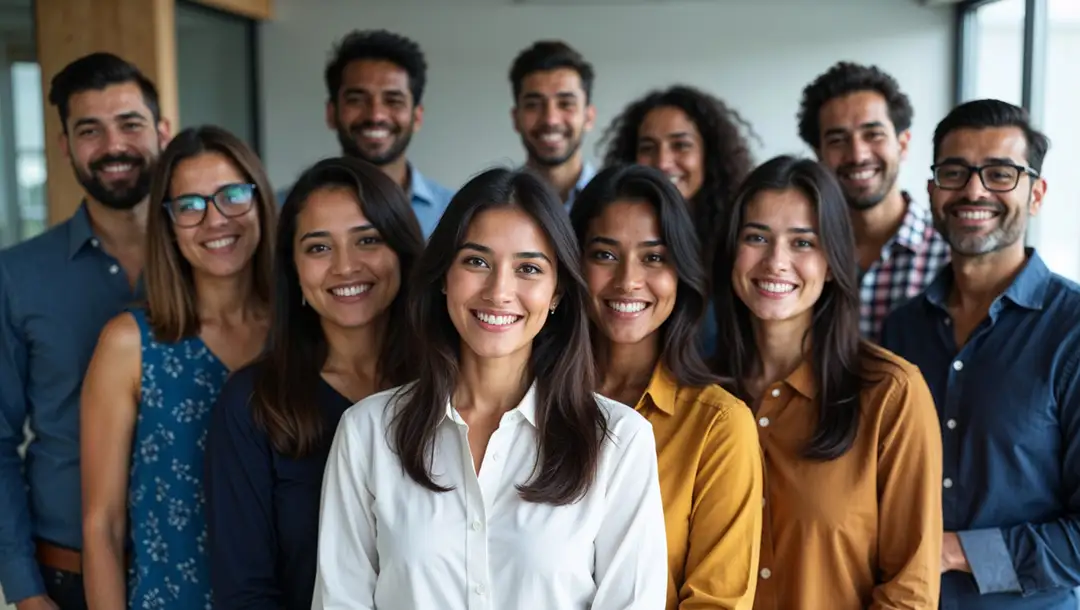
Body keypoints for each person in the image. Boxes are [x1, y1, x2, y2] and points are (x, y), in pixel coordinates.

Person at [312, 167, 667, 609]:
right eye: (476, 261)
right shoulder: (366, 432)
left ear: (557, 293)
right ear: (444, 276)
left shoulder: (618, 441)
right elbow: (341, 600)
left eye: (529, 268)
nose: (499, 291)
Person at [712, 155, 943, 609]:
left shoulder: (891, 393)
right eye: (757, 237)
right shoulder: (702, 396)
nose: (776, 262)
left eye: (803, 242)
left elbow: (909, 590)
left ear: (834, 260)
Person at [881, 99, 1080, 610]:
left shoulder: (1072, 331)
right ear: (932, 192)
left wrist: (950, 552)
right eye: (955, 172)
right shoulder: (899, 332)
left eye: (1000, 173)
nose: (974, 189)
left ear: (1035, 194)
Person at [205, 156, 424, 609]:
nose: (346, 267)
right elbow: (245, 592)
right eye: (319, 248)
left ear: (402, 253)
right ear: (295, 272)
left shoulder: (451, 388)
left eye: (367, 239)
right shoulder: (252, 403)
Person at [79, 126, 276, 609]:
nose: (215, 220)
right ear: (167, 224)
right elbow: (102, 524)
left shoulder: (302, 334)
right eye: (189, 206)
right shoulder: (129, 344)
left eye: (232, 195)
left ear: (261, 202)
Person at [0, 52, 169, 610]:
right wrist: (25, 591)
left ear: (163, 132)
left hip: (203, 568)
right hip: (65, 578)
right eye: (89, 130)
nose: (113, 146)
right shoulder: (17, 275)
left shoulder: (218, 264)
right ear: (64, 146)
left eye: (130, 124)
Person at [570, 163, 763, 610]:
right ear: (573, 265)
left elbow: (716, 603)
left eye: (654, 257)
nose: (628, 280)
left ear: (681, 273)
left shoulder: (719, 425)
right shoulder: (529, 404)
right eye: (604, 254)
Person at [600, 85, 757, 360]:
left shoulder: (739, 241)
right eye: (648, 147)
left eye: (680, 145)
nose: (662, 161)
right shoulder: (608, 229)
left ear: (709, 155)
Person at [797, 61, 949, 341]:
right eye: (837, 140)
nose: (857, 155)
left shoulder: (950, 254)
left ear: (902, 144)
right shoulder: (801, 251)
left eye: (873, 135)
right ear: (818, 155)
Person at [319, 29, 453, 238]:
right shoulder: (284, 211)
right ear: (331, 113)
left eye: (393, 101)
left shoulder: (455, 213)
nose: (376, 115)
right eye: (357, 99)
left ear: (417, 117)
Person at [508, 40, 597, 208]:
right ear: (515, 118)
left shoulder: (615, 202)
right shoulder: (496, 205)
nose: (550, 119)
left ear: (589, 117)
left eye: (565, 104)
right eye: (533, 105)